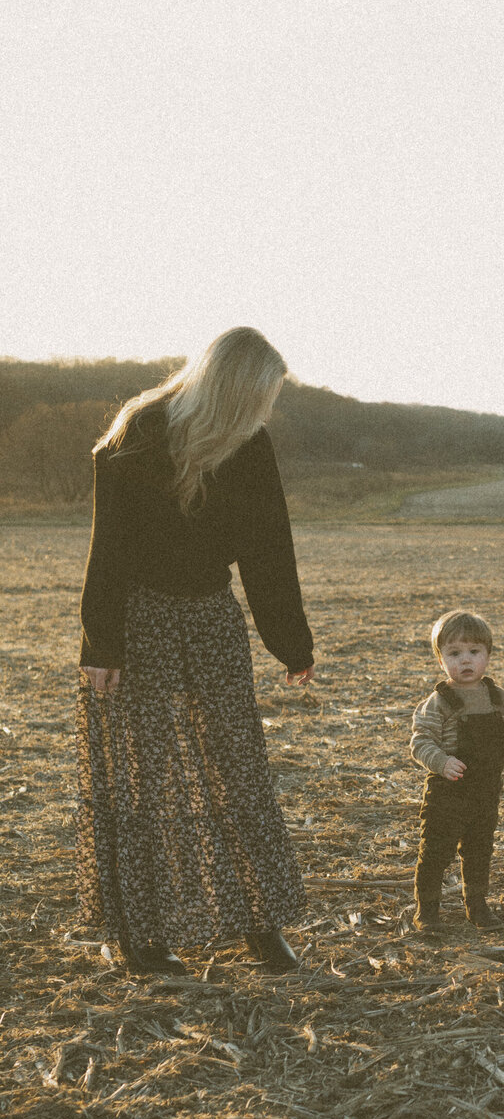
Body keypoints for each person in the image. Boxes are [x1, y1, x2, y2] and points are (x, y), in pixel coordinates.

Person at [76, 327, 314, 975]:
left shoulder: (249, 443)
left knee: (236, 773)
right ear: (232, 384)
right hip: (140, 619)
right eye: (260, 393)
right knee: (143, 783)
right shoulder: (138, 429)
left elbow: (270, 547)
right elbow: (109, 547)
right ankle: (142, 938)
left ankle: (260, 928)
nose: (265, 408)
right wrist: (102, 641)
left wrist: (290, 640)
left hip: (212, 616)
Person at [410, 609, 504, 933]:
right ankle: (427, 911)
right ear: (441, 658)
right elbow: (420, 742)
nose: (465, 660)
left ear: (487, 655)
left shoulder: (497, 697)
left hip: (487, 791)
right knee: (435, 851)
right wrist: (441, 762)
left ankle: (477, 905)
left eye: (474, 652)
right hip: (448, 792)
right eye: (454, 653)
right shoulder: (439, 701)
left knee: (479, 850)